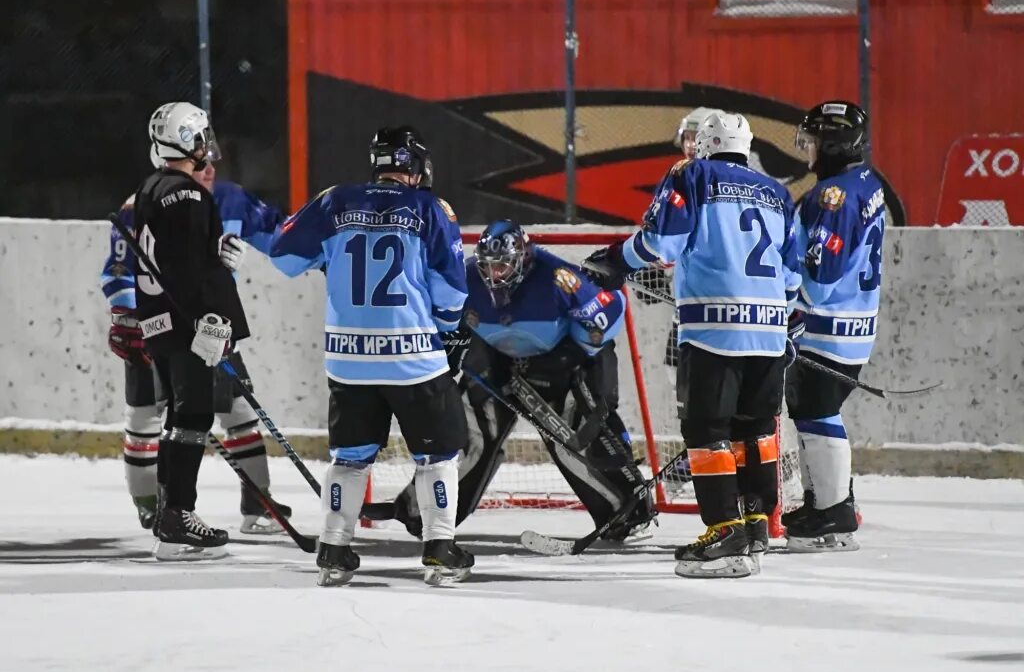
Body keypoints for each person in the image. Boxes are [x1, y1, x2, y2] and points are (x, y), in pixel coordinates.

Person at [586, 111, 801, 578]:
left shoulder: (693, 173)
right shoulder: (777, 192)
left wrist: (614, 259)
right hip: (767, 332)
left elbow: (661, 242)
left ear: (704, 142)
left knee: (708, 431)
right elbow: (792, 276)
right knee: (757, 431)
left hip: (712, 330)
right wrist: (775, 320)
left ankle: (725, 531)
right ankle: (755, 523)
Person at [269, 126, 473, 587]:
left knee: (350, 456)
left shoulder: (334, 200)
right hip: (413, 356)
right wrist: (444, 330)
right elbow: (452, 290)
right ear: (416, 166)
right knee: (438, 454)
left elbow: (282, 256)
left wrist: (326, 259)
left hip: (348, 358)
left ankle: (334, 548)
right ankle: (440, 545)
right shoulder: (430, 208)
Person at [365, 220, 657, 542]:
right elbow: (449, 320)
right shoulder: (467, 277)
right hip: (498, 356)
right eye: (490, 266)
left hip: (566, 360)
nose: (496, 274)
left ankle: (626, 512)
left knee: (571, 437)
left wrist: (568, 356)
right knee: (472, 431)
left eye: (504, 265)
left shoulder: (559, 277)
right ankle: (421, 511)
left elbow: (611, 309)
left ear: (523, 258)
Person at [101, 137, 291, 536]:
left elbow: (284, 236)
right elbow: (118, 270)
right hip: (158, 328)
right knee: (145, 420)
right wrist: (126, 317)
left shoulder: (229, 200)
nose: (207, 169)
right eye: (198, 159)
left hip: (210, 327)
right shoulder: (142, 204)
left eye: (209, 160)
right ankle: (154, 509)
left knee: (238, 412)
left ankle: (256, 504)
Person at [129, 101, 251, 560]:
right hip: (187, 325)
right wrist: (214, 318)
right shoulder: (187, 193)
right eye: (200, 135)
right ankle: (178, 515)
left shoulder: (151, 188)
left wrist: (214, 258)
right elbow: (184, 269)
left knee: (181, 418)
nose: (206, 145)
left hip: (161, 321)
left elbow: (177, 259)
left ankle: (170, 516)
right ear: (189, 139)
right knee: (193, 416)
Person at [782, 101, 882, 553]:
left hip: (829, 327)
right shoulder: (866, 182)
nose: (808, 149)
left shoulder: (833, 196)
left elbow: (820, 282)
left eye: (814, 140)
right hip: (854, 324)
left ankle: (833, 511)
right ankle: (829, 500)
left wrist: (782, 301)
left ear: (834, 144)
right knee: (815, 409)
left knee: (816, 410)